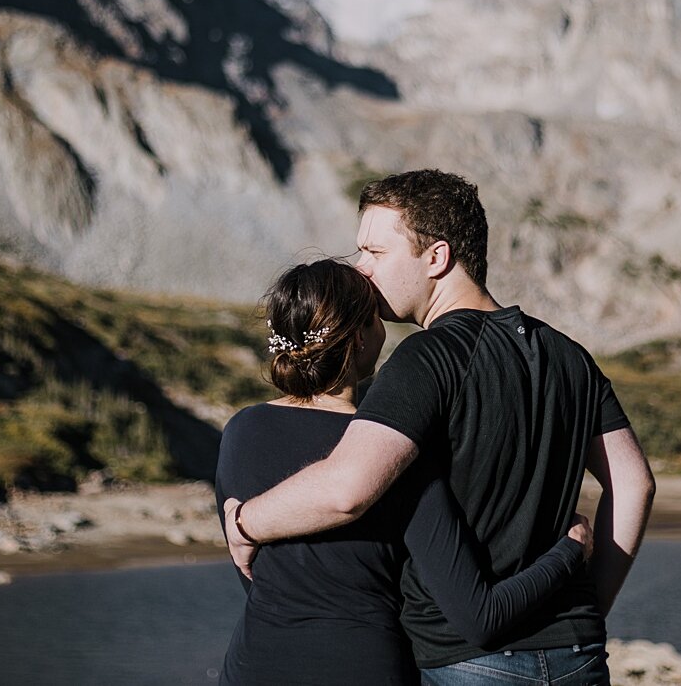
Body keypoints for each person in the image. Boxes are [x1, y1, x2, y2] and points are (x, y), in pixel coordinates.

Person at [224, 169, 656, 685]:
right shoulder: (569, 357)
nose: (361, 271)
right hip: (578, 654)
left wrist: (247, 522)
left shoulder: (426, 358)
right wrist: (588, 609)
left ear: (437, 257)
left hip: (466, 659)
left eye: (375, 253)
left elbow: (347, 489)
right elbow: (634, 484)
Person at [216, 258, 595, 686]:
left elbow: (254, 576)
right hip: (366, 667)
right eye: (377, 319)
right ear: (360, 337)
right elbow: (480, 616)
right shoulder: (393, 452)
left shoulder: (240, 431)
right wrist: (570, 551)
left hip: (252, 666)